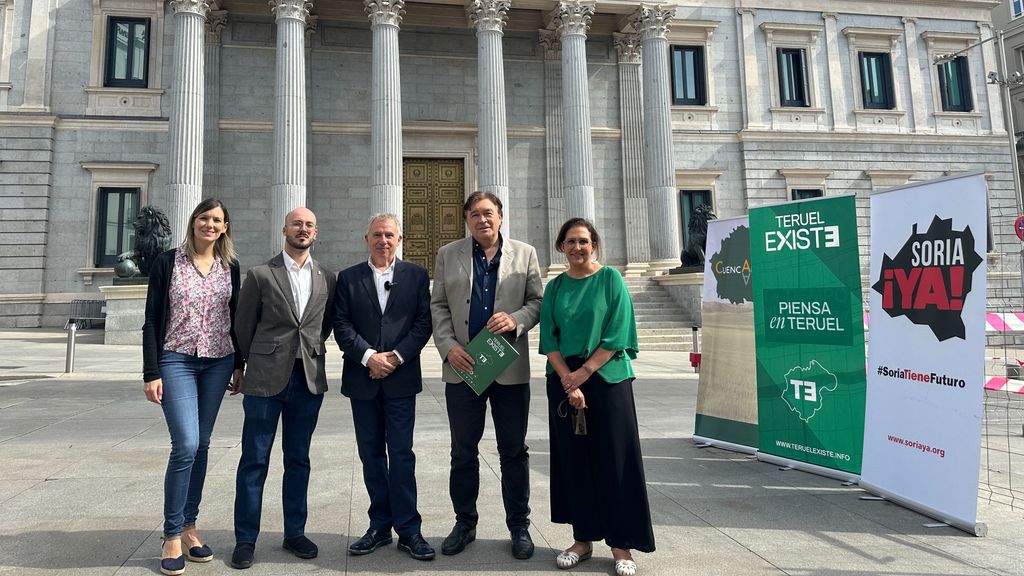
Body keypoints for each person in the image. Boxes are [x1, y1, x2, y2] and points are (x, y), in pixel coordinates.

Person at [539, 218, 655, 576]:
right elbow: (549, 340)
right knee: (575, 460)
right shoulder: (555, 287)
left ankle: (621, 545)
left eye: (584, 241)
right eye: (570, 242)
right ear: (561, 246)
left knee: (615, 460)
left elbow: (617, 333)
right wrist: (569, 382)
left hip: (606, 377)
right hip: (563, 379)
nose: (577, 248)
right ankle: (583, 538)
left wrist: (583, 375)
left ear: (595, 245)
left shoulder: (611, 279)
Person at [430, 191, 543, 559]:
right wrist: (448, 348)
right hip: (464, 368)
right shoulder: (449, 254)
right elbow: (439, 306)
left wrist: (517, 320)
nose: (483, 220)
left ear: (500, 216)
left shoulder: (524, 253)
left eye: (489, 213)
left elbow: (537, 302)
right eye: (475, 214)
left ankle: (519, 526)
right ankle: (465, 522)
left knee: (513, 450)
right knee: (463, 451)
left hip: (508, 368)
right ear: (467, 220)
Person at [229, 207, 336, 570]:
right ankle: (245, 538)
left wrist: (309, 350)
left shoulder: (327, 277)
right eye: (296, 224)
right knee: (254, 460)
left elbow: (325, 324)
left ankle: (295, 532)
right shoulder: (261, 274)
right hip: (264, 377)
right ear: (284, 229)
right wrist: (240, 365)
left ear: (315, 232)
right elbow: (243, 325)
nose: (302, 229)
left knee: (299, 459)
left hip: (307, 378)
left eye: (309, 225)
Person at [142, 198, 244, 576]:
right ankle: (171, 533)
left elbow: (233, 317)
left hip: (218, 361)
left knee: (202, 443)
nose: (210, 225)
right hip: (176, 359)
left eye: (217, 220)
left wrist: (238, 364)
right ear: (194, 221)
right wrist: (150, 372)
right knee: (184, 443)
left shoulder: (230, 267)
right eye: (205, 218)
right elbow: (152, 318)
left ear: (225, 227)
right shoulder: (168, 262)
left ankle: (189, 526)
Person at [333, 213, 435, 561]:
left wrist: (394, 358)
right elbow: (341, 324)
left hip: (401, 380)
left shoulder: (417, 276)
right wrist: (368, 357)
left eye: (389, 235)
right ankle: (379, 526)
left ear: (400, 239)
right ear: (366, 239)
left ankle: (409, 530)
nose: (383, 240)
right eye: (377, 235)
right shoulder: (348, 278)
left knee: (402, 455)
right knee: (371, 454)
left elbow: (423, 325)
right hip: (362, 381)